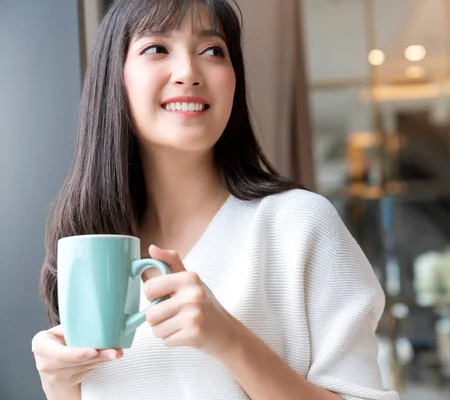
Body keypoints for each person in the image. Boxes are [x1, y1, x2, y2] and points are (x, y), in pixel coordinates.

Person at [31, 0, 400, 399]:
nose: (188, 72)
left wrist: (229, 339)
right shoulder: (87, 244)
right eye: (156, 48)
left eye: (212, 51)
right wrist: (58, 384)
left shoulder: (298, 224)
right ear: (114, 77)